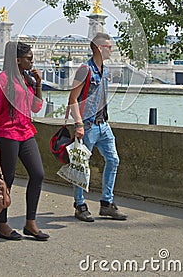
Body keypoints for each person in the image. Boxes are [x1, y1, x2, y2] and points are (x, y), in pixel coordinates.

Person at [0, 41, 49, 241]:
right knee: (7, 181)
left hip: (26, 132)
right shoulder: (2, 80)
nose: (32, 61)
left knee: (38, 174)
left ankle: (30, 223)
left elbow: (36, 107)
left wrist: (38, 84)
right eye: (29, 58)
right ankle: (2, 225)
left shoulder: (27, 79)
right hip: (7, 134)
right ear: (17, 60)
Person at [68, 32, 128, 222]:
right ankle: (80, 204)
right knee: (81, 166)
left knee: (113, 160)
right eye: (109, 47)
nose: (112, 50)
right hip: (87, 125)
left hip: (103, 124)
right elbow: (72, 100)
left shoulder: (106, 70)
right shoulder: (84, 70)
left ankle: (106, 203)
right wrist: (78, 124)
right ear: (100, 48)